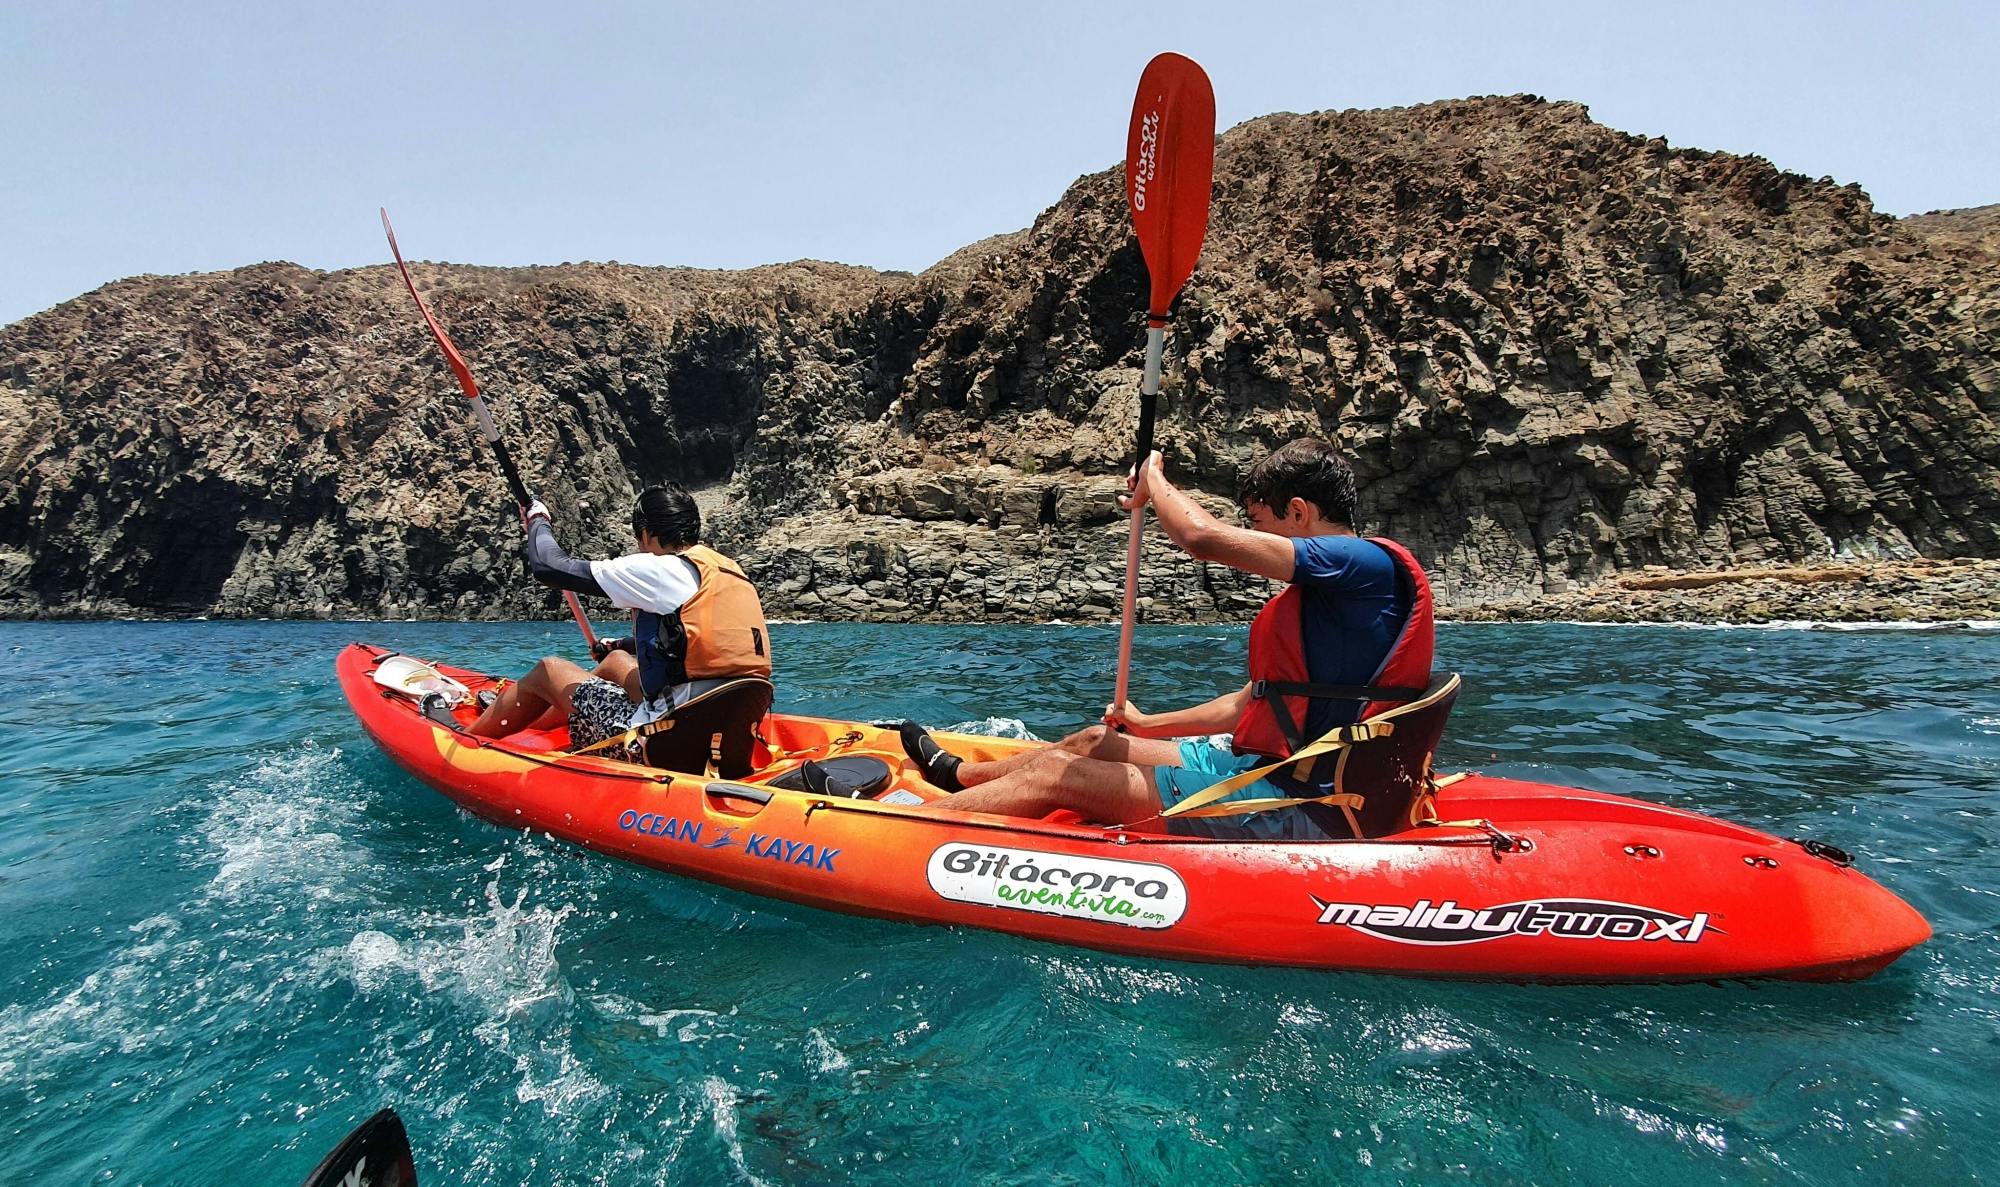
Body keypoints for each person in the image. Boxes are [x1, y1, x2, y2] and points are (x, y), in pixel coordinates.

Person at [897, 438, 1433, 839]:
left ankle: (891, 823)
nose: (1255, 536)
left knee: (1065, 774)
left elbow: (1199, 537)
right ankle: (958, 776)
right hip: (1275, 767)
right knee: (1094, 742)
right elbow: (1253, 702)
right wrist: (1147, 724)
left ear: (1299, 512)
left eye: (1259, 522)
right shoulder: (1338, 597)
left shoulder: (1360, 562)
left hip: (1304, 801)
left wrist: (1154, 480)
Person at [468, 483, 773, 766]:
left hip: (661, 742)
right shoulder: (729, 572)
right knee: (616, 662)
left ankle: (468, 738)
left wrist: (538, 521)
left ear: (646, 533)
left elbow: (548, 568)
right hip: (726, 731)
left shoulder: (660, 568)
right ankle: (530, 723)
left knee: (548, 670)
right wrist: (625, 645)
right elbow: (698, 647)